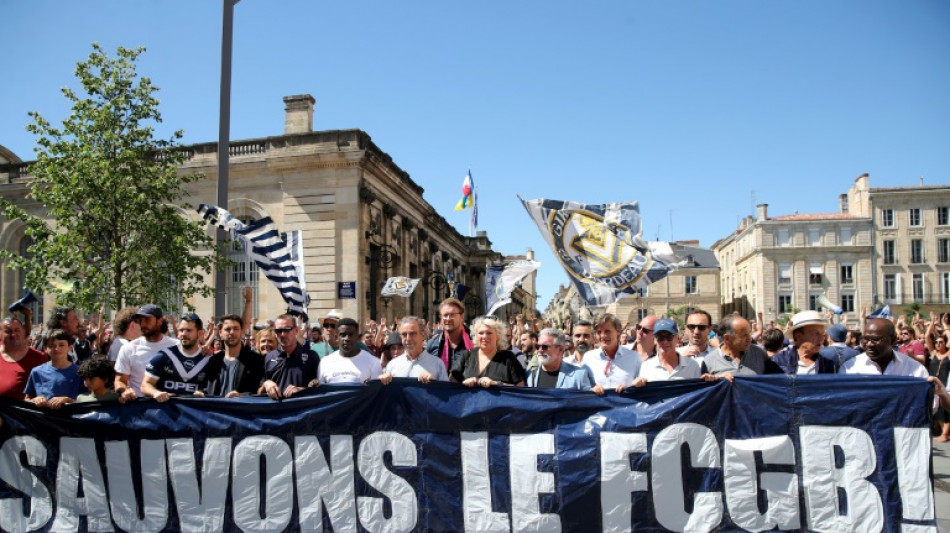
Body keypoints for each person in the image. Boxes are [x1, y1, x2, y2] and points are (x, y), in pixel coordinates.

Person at [141, 314, 222, 402]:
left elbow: (216, 390)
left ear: (200, 333)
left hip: (195, 413)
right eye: (181, 330)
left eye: (188, 330)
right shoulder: (164, 356)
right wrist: (155, 393)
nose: (184, 334)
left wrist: (204, 394)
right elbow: (145, 384)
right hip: (167, 412)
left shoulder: (208, 360)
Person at [114, 304, 179, 403]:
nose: (142, 324)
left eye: (147, 320)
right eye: (140, 320)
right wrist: (125, 390)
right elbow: (119, 381)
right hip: (140, 408)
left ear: (160, 321)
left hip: (171, 408)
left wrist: (206, 351)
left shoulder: (177, 346)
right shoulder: (129, 348)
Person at [450, 315, 525, 387]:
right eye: (480, 333)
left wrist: (497, 384)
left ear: (498, 336)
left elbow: (521, 386)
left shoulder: (508, 358)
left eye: (489, 333)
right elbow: (451, 383)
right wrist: (464, 383)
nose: (484, 336)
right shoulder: (467, 355)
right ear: (476, 336)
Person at [840, 318, 928, 377]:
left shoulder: (915, 370)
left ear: (893, 340)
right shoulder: (849, 369)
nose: (869, 344)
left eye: (876, 339)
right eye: (866, 339)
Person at [259, 314, 320, 399]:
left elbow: (320, 388)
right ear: (275, 333)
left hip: (303, 410)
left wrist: (302, 390)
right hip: (276, 410)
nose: (283, 334)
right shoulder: (268, 358)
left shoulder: (311, 356)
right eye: (279, 331)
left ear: (296, 330)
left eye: (287, 330)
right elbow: (258, 392)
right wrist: (266, 384)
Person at [702, 315, 783, 379]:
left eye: (749, 334)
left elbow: (777, 382)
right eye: (744, 335)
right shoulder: (709, 362)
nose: (750, 339)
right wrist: (718, 380)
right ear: (727, 338)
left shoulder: (759, 354)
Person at [24, 329, 86, 409]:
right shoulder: (37, 372)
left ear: (70, 347)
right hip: (43, 419)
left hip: (71, 419)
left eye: (61, 345)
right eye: (52, 346)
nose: (56, 348)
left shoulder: (79, 372)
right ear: (45, 349)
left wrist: (68, 400)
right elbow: (27, 398)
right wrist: (35, 400)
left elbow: (87, 401)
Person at [205, 314, 264, 397]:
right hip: (215, 409)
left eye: (236, 329)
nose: (232, 332)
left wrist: (241, 396)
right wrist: (201, 393)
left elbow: (260, 391)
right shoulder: (213, 361)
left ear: (241, 332)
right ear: (220, 333)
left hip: (241, 408)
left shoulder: (255, 360)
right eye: (227, 329)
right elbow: (207, 388)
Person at [583, 313, 642, 394]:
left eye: (607, 331)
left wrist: (630, 389)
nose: (603, 336)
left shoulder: (634, 357)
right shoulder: (588, 358)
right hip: (598, 406)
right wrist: (591, 390)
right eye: (599, 332)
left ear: (618, 331)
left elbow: (642, 388)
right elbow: (582, 387)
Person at [525, 328, 598, 392]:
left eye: (545, 347)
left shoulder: (579, 376)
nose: (540, 350)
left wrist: (594, 393)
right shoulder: (529, 375)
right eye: (537, 346)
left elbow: (587, 403)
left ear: (560, 349)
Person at [380, 316, 448, 384]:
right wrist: (382, 382)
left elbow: (446, 392)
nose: (408, 338)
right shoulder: (392, 365)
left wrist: (435, 384)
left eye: (412, 334)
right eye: (404, 334)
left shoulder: (437, 365)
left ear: (423, 335)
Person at [634, 318, 702, 385]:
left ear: (677, 339)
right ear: (654, 340)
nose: (665, 342)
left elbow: (699, 392)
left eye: (669, 337)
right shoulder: (647, 367)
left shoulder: (692, 366)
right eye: (660, 337)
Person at [317, 317, 383, 384]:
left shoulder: (373, 362)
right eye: (343, 335)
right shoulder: (325, 363)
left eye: (351, 334)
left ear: (357, 336)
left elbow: (375, 391)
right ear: (337, 337)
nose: (347, 338)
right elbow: (321, 391)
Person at [771, 311, 836, 375]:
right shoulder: (778, 361)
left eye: (822, 334)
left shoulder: (827, 365)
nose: (822, 338)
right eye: (816, 333)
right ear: (798, 336)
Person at [0, 316, 47, 399]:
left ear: (24, 332)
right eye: (8, 331)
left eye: (17, 330)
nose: (13, 334)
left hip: (20, 411)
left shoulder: (38, 358)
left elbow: (47, 389)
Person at [426, 298, 473, 371]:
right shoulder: (433, 344)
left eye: (452, 315)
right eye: (445, 315)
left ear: (462, 316)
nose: (448, 319)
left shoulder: (474, 342)